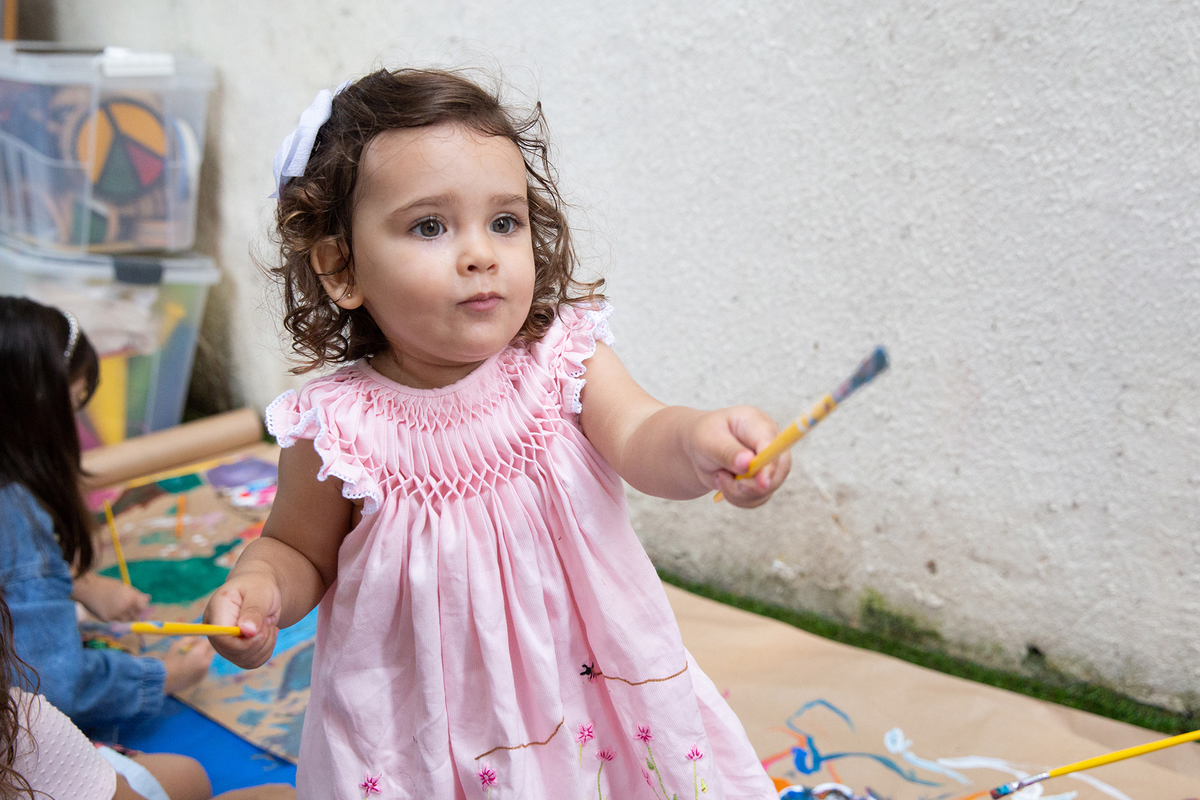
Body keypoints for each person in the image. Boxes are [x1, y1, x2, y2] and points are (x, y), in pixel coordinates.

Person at [205, 68, 791, 800]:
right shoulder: (338, 428)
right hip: (427, 732)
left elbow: (643, 435)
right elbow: (297, 549)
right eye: (429, 225)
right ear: (341, 269)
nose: (480, 252)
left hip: (586, 695)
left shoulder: (560, 361)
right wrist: (260, 590)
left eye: (504, 222)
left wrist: (704, 442)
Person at [0, 297, 215, 733]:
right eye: (74, 405)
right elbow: (53, 687)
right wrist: (164, 675)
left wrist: (79, 583)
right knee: (190, 777)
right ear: (34, 408)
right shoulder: (14, 512)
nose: (78, 429)